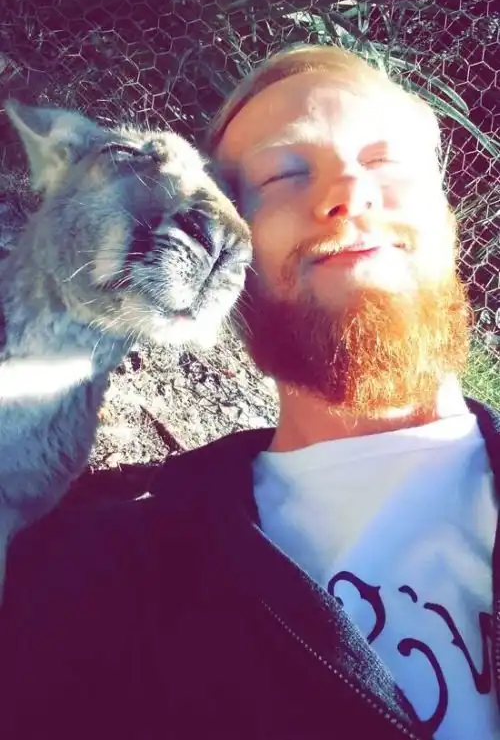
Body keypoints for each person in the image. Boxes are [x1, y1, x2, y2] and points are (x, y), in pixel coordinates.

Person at [1, 44, 499, 740]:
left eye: (385, 160)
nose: (351, 190)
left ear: (448, 217)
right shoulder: (107, 580)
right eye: (283, 172)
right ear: (232, 251)